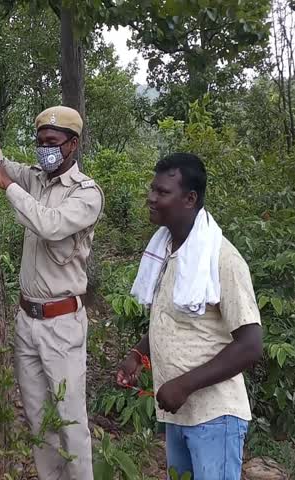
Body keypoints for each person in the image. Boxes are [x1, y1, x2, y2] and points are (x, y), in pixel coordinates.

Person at [116, 153, 263, 480]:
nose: (151, 198)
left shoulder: (222, 259)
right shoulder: (165, 251)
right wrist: (138, 354)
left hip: (215, 417)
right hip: (179, 415)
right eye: (152, 189)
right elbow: (172, 319)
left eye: (162, 192)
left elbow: (251, 344)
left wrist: (183, 385)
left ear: (190, 198)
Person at [0, 106, 103, 480]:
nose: (45, 149)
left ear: (73, 144)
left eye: (53, 143)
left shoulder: (86, 194)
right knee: (37, 418)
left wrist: (9, 187)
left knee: (70, 419)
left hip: (62, 324)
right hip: (26, 321)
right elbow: (1, 161)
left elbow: (50, 225)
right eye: (40, 142)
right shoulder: (36, 178)